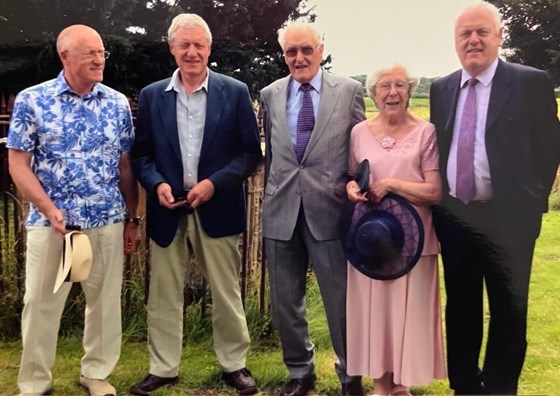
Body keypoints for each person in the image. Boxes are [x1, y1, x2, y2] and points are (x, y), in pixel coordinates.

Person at [129, 13, 262, 396]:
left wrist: (213, 184)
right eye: (184, 44)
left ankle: (234, 364)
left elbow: (249, 153)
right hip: (167, 209)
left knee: (225, 291)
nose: (191, 52)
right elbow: (141, 155)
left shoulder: (234, 91)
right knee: (164, 293)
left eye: (198, 45)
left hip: (217, 207)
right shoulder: (153, 95)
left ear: (209, 48)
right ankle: (163, 367)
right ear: (172, 48)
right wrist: (156, 185)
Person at [430, 2, 560, 394]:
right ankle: (465, 385)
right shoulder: (441, 87)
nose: (472, 40)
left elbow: (549, 148)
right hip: (457, 218)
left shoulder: (529, 82)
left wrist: (532, 202)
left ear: (499, 36)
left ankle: (501, 387)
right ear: (455, 42)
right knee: (462, 306)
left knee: (509, 308)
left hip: (510, 220)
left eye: (481, 32)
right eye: (464, 34)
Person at [6, 24, 140, 396]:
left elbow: (126, 165)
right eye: (90, 54)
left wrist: (133, 218)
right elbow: (18, 164)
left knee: (104, 301)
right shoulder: (33, 100)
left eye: (102, 53)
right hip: (53, 226)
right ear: (64, 55)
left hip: (107, 220)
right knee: (41, 303)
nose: (99, 60)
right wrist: (48, 209)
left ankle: (96, 372)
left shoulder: (116, 103)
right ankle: (34, 382)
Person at [260, 22, 366, 396]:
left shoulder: (349, 90)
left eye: (306, 50)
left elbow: (360, 152)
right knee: (286, 300)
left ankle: (350, 374)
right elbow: (273, 155)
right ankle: (300, 373)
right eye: (291, 52)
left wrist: (357, 189)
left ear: (321, 50)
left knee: (340, 300)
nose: (299, 58)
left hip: (331, 211)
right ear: (284, 55)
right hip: (281, 210)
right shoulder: (270, 94)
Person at [344, 65, 446, 396]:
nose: (393, 92)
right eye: (385, 86)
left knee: (408, 313)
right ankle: (380, 384)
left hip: (414, 242)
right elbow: (352, 175)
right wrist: (351, 189)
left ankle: (402, 385)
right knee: (375, 312)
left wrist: (390, 185)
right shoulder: (359, 132)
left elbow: (434, 191)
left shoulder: (426, 132)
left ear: (409, 91)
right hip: (372, 240)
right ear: (373, 94)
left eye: (400, 85)